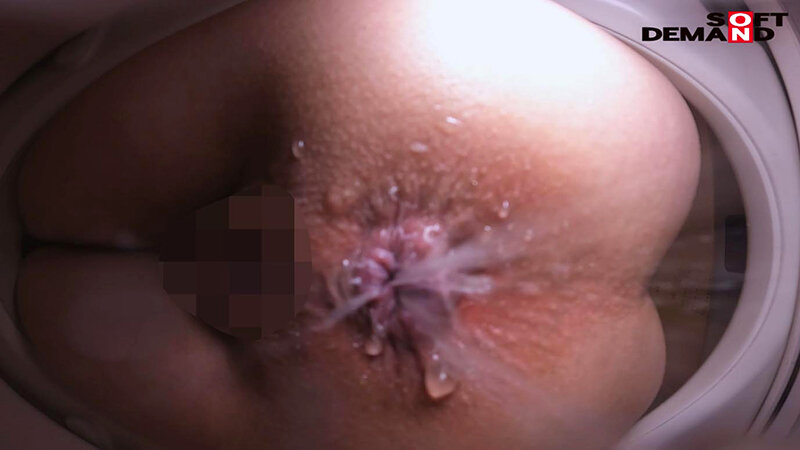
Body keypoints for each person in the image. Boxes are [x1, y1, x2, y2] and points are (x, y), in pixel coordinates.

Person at [14, 0, 700, 448]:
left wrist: (737, 23)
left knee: (48, 201)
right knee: (53, 291)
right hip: (509, 422)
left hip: (538, 103)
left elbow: (736, 24)